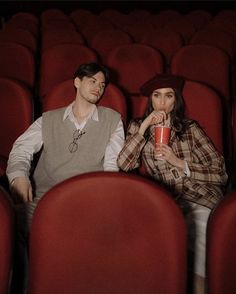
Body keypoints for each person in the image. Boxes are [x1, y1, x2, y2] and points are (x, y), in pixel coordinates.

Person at [6, 62, 125, 293]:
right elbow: (20, 150)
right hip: (42, 199)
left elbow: (112, 166)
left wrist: (106, 200)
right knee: (10, 227)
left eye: (102, 84)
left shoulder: (113, 120)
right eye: (93, 81)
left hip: (87, 202)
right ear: (77, 82)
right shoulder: (48, 119)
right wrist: (18, 177)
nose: (98, 87)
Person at [117, 73, 228, 294]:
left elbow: (220, 172)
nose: (162, 102)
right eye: (157, 96)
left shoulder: (190, 129)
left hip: (197, 196)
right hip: (163, 200)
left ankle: (200, 287)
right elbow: (124, 163)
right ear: (150, 101)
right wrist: (144, 127)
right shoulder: (138, 127)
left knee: (200, 230)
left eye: (169, 96)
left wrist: (179, 162)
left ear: (176, 100)